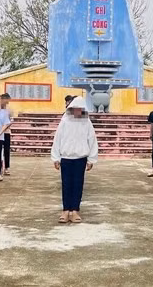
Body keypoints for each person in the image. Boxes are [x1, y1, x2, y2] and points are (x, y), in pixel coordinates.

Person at [50, 96, 98, 224]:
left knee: (78, 184)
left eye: (79, 109)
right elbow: (57, 139)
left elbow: (92, 140)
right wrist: (56, 157)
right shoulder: (64, 121)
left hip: (80, 158)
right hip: (66, 158)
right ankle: (66, 210)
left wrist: (91, 159)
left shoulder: (87, 123)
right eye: (74, 109)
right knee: (66, 184)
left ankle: (75, 210)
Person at [1, 93, 13, 175]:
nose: (8, 102)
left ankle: (6, 167)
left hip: (6, 132)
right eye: (6, 100)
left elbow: (11, 121)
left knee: (6, 150)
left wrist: (5, 127)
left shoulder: (9, 110)